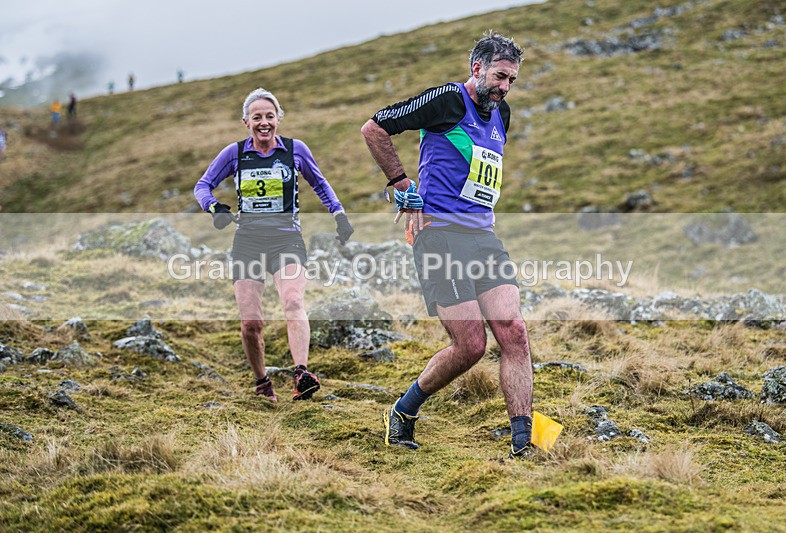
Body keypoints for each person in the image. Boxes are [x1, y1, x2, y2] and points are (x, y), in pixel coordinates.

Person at [361, 32, 534, 458]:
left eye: (511, 79)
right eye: (499, 76)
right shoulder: (448, 101)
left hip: (483, 237)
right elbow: (375, 128)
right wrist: (402, 185)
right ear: (476, 68)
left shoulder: (502, 113)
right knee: (471, 346)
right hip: (439, 236)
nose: (504, 87)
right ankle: (403, 411)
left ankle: (523, 443)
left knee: (514, 332)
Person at [194, 88, 354, 402]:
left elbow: (319, 183)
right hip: (248, 243)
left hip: (287, 240)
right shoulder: (235, 153)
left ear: (278, 119)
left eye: (270, 116)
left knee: (293, 302)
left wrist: (340, 215)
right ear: (246, 122)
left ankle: (301, 374)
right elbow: (202, 186)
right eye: (257, 117)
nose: (264, 123)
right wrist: (214, 207)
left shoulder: (295, 150)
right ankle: (262, 382)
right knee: (251, 323)